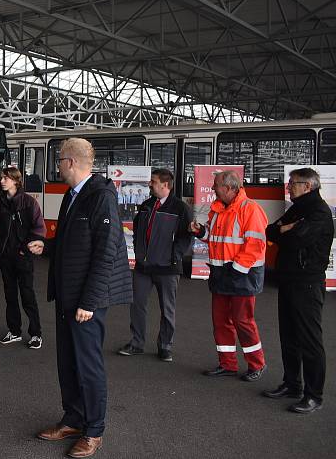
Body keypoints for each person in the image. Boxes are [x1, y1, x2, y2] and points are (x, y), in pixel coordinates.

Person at [29, 138, 132, 459]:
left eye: (59, 160)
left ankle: (94, 430)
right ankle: (73, 419)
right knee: (68, 362)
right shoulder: (73, 196)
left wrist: (89, 301)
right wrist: (46, 247)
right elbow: (72, 241)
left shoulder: (100, 196)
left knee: (88, 366)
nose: (57, 165)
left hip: (86, 301)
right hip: (67, 295)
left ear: (71, 162)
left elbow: (106, 252)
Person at [263, 168, 332, 414]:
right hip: (289, 280)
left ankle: (314, 395)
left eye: (292, 183)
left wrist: (286, 231)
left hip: (308, 283)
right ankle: (292, 384)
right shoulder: (298, 209)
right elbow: (270, 231)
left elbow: (296, 240)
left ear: (308, 186)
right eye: (289, 182)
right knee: (289, 337)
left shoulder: (320, 213)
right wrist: (286, 228)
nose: (288, 187)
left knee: (310, 341)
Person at [189, 170, 268, 382]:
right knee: (221, 322)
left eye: (216, 186)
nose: (213, 189)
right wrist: (200, 233)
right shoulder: (217, 210)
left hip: (241, 275)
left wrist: (237, 270)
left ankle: (256, 364)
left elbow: (255, 245)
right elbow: (214, 238)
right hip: (222, 274)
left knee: (244, 322)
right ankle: (228, 364)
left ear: (230, 188)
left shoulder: (250, 209)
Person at [118, 169, 193, 362]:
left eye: (153, 182)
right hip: (144, 267)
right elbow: (137, 231)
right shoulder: (146, 205)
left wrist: (174, 257)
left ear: (165, 185)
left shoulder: (180, 208)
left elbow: (186, 238)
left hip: (168, 268)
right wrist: (139, 252)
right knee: (137, 305)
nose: (149, 184)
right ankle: (136, 343)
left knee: (167, 309)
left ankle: (165, 347)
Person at [0, 166, 46, 349]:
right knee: (10, 296)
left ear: (16, 181)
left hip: (23, 258)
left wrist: (26, 250)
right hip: (5, 258)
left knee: (28, 296)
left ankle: (36, 334)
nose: (2, 181)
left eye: (5, 178)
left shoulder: (29, 202)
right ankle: (15, 331)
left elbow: (38, 229)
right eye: (2, 178)